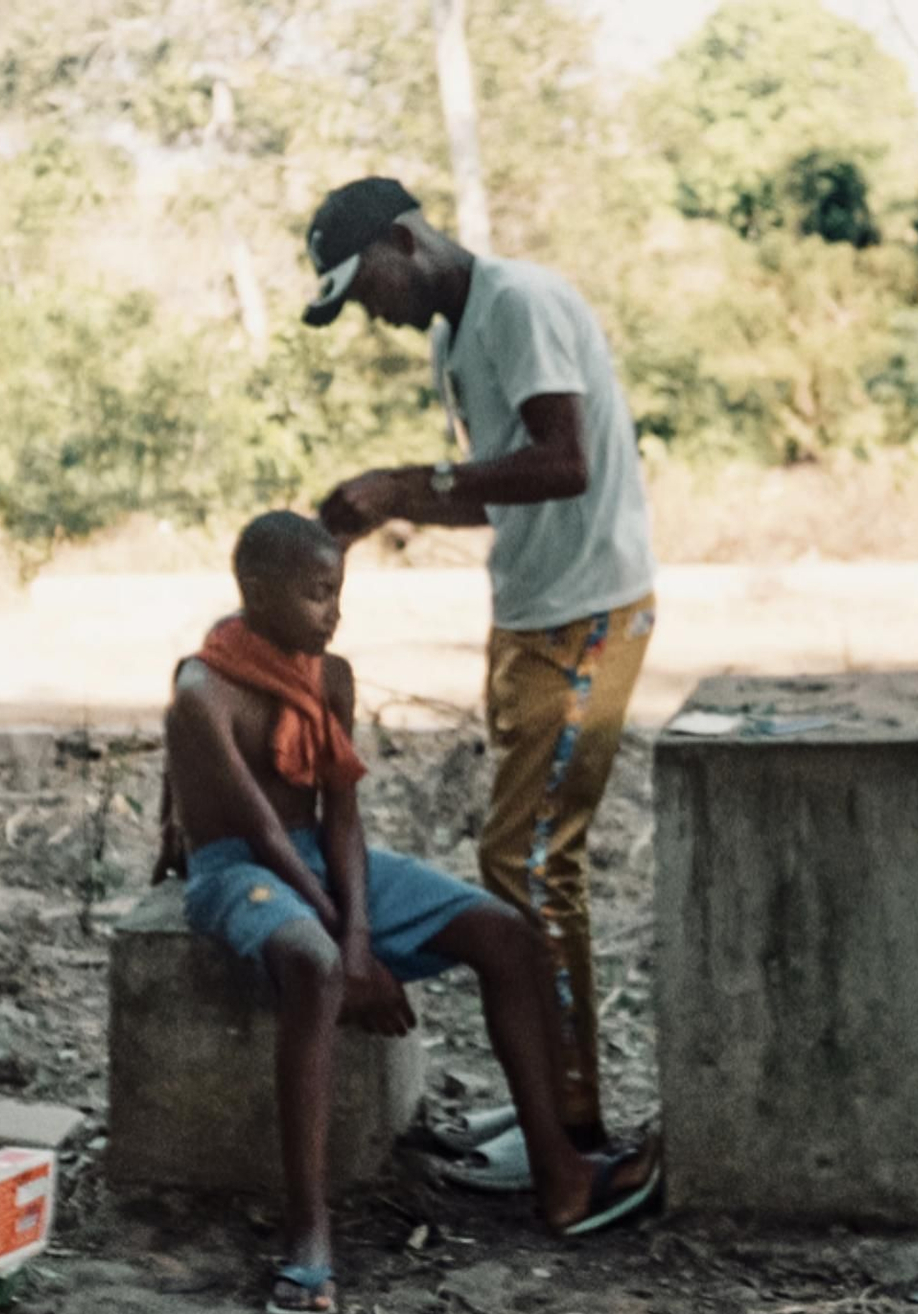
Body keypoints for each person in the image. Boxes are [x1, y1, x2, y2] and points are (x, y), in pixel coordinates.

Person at [156, 510, 660, 1314]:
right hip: (238, 871)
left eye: (338, 593)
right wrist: (343, 952)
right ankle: (309, 1234)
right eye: (318, 595)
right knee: (313, 968)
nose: (333, 613)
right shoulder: (200, 693)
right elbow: (254, 831)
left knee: (507, 936)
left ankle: (561, 1174)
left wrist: (359, 934)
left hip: (319, 857)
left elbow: (342, 821)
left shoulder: (331, 677)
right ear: (256, 592)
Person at [307, 177, 655, 1159]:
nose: (370, 312)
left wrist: (417, 481)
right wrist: (393, 505)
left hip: (588, 614)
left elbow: (564, 461)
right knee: (517, 864)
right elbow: (501, 493)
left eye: (363, 285)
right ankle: (548, 1092)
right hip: (528, 613)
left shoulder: (520, 302)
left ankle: (575, 1129)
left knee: (530, 865)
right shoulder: (451, 336)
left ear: (403, 241)